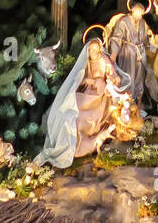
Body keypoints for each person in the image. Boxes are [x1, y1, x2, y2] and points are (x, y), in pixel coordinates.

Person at [35, 37, 133, 168]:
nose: (93, 52)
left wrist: (110, 79)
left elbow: (115, 77)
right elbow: (80, 78)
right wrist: (90, 81)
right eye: (91, 49)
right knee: (75, 104)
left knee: (90, 112)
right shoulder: (85, 63)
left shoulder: (105, 61)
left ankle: (89, 136)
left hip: (101, 94)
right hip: (88, 91)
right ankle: (73, 138)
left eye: (95, 49)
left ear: (99, 49)